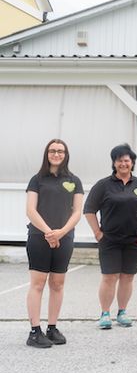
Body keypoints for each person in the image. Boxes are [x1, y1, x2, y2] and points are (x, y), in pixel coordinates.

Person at [84, 144, 137, 330]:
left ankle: (122, 312)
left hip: (135, 240)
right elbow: (89, 210)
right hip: (110, 239)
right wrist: (97, 232)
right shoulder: (103, 185)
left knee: (127, 277)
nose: (123, 163)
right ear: (114, 163)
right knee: (109, 277)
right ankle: (105, 313)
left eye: (127, 160)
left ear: (132, 163)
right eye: (119, 160)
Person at [25, 139, 83, 348]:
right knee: (38, 283)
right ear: (47, 154)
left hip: (64, 238)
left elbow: (77, 211)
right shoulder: (37, 179)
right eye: (52, 151)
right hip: (39, 237)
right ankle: (34, 331)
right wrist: (49, 232)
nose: (56, 154)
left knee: (58, 284)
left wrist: (62, 232)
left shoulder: (74, 181)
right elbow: (31, 210)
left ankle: (52, 327)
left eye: (60, 151)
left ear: (66, 154)